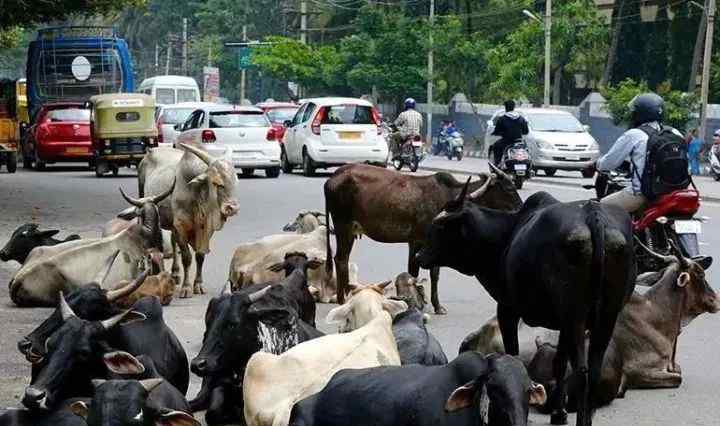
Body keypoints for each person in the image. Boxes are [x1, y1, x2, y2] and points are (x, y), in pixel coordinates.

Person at [595, 92, 684, 213]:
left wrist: (597, 164)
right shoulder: (675, 132)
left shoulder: (635, 134)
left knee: (598, 209)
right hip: (675, 193)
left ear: (640, 114)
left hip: (642, 195)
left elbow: (608, 164)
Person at [490, 100, 528, 166]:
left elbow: (497, 130)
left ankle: (497, 163)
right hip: (518, 141)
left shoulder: (502, 118)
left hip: (506, 141)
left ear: (506, 108)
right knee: (526, 148)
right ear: (514, 107)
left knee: (496, 146)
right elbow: (526, 131)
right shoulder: (521, 118)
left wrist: (495, 133)